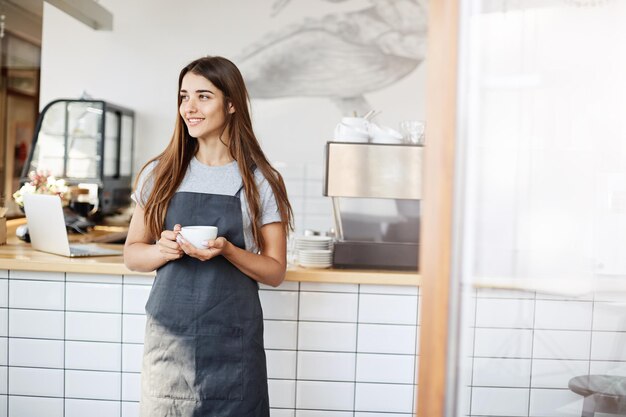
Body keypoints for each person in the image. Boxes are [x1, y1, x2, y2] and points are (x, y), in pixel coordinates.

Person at [124, 56, 293, 417]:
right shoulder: (161, 173)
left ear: (231, 104)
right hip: (169, 340)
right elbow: (133, 256)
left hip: (233, 343)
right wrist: (163, 249)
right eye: (184, 96)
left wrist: (229, 250)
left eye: (203, 96)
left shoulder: (260, 180)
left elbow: (275, 271)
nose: (190, 107)